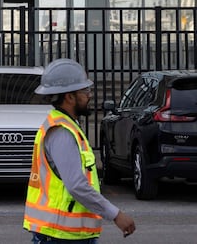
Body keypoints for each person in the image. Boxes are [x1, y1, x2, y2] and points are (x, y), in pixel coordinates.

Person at [24, 58, 136, 242]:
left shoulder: (66, 125)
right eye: (85, 91)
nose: (89, 95)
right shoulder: (61, 132)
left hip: (65, 233)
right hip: (61, 235)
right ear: (69, 96)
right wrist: (115, 215)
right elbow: (76, 185)